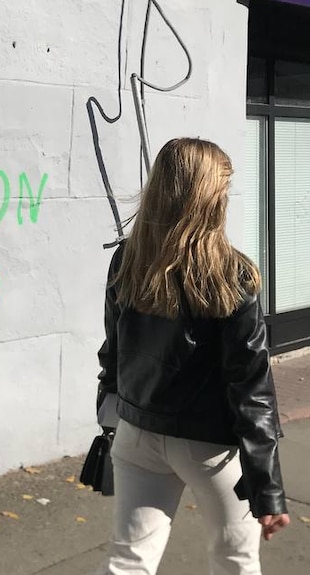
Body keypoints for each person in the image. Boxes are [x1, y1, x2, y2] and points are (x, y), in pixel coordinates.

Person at [95, 138, 289, 575]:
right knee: (236, 561)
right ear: (209, 197)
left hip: (136, 432)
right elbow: (251, 389)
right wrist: (267, 488)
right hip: (211, 448)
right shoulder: (232, 274)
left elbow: (115, 351)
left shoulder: (127, 258)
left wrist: (110, 417)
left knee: (127, 563)